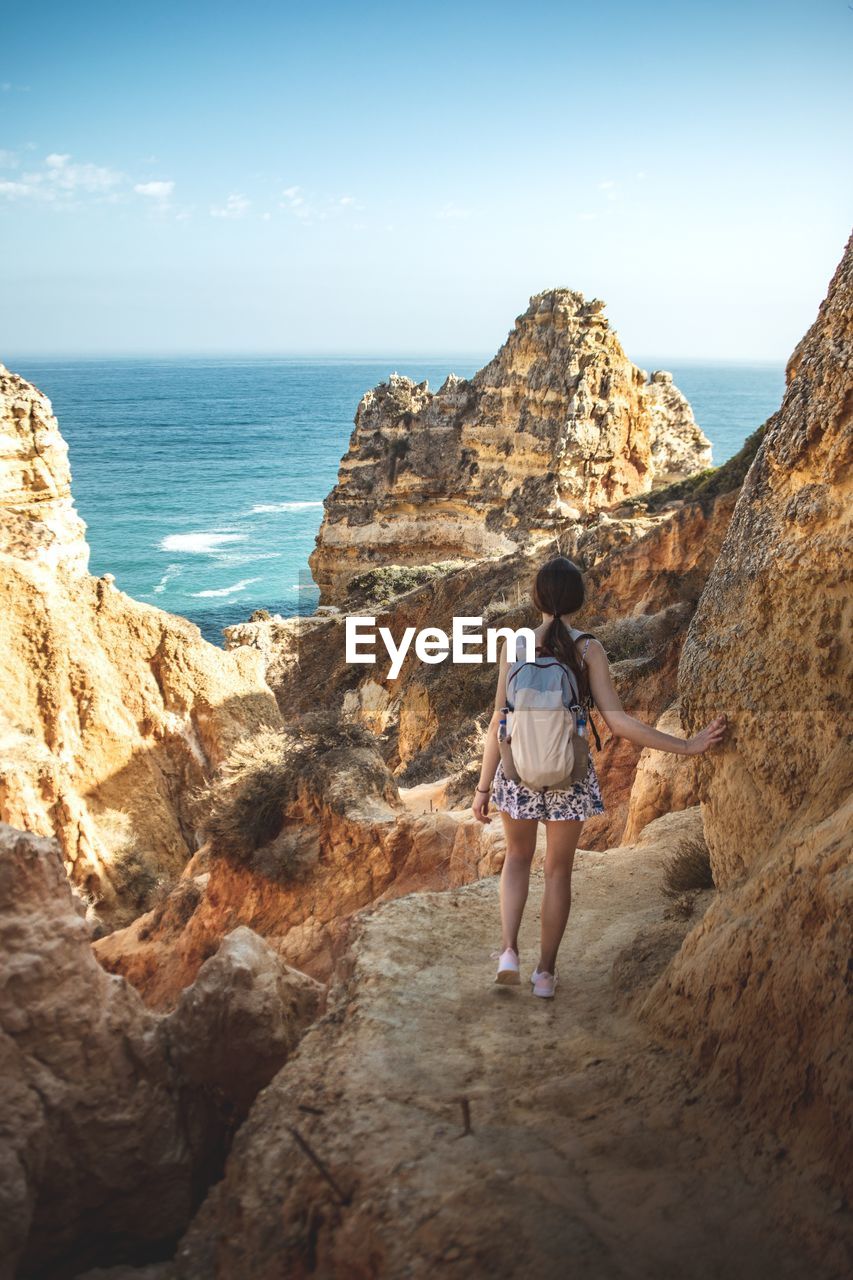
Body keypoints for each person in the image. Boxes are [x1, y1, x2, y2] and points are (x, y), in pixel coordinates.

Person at [472, 556, 727, 998]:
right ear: (578, 599)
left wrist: (482, 787)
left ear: (536, 598)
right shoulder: (588, 649)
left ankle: (509, 952)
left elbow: (500, 720)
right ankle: (545, 974)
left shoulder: (513, 647)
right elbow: (619, 722)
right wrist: (687, 745)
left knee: (516, 859)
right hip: (570, 776)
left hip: (517, 776)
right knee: (557, 871)